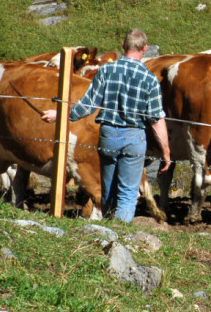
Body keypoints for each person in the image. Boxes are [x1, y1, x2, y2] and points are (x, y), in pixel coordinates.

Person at [42, 28, 171, 222]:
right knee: (128, 193)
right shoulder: (149, 79)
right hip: (134, 136)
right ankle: (119, 232)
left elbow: (87, 105)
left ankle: (108, 229)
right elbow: (156, 120)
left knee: (108, 190)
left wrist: (60, 114)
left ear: (122, 46)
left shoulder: (106, 70)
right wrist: (166, 153)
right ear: (144, 49)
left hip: (108, 134)